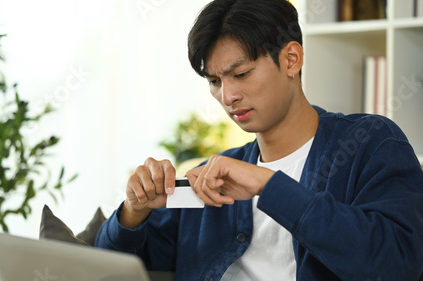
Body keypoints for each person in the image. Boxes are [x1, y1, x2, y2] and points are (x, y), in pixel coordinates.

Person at [95, 0, 423, 280]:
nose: (228, 95)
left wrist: (269, 185)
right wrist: (133, 211)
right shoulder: (209, 178)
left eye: (241, 74)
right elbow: (111, 270)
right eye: (214, 81)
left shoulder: (371, 143)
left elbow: (397, 263)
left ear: (291, 60)